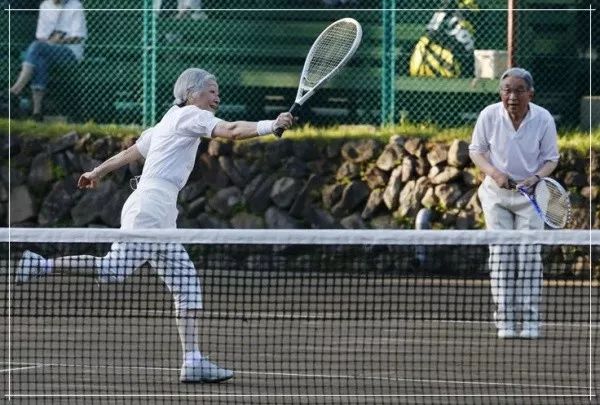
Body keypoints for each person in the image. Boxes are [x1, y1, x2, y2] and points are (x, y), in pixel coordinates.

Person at [15, 68, 295, 382]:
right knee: (113, 271)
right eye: (212, 91)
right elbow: (230, 130)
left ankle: (193, 360)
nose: (217, 97)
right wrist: (270, 125)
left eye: (217, 92)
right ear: (192, 93)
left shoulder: (165, 122)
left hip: (161, 211)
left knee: (186, 282)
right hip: (150, 206)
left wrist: (97, 171)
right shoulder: (191, 115)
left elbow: (132, 151)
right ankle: (42, 265)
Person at [468, 67, 559, 340]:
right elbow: (476, 150)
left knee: (529, 255)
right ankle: (505, 318)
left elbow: (551, 159)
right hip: (495, 195)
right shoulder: (488, 115)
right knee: (501, 255)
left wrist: (535, 178)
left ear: (530, 93)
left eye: (519, 90)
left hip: (531, 196)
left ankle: (530, 320)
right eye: (507, 90)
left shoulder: (543, 119)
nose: (512, 96)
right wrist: (495, 174)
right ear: (501, 93)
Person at [9, 0, 87, 121]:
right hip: (46, 49)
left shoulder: (76, 5)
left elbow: (78, 37)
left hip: (69, 52)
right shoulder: (45, 6)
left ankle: (15, 90)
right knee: (39, 59)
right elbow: (41, 35)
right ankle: (37, 113)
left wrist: (60, 41)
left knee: (36, 47)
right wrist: (51, 40)